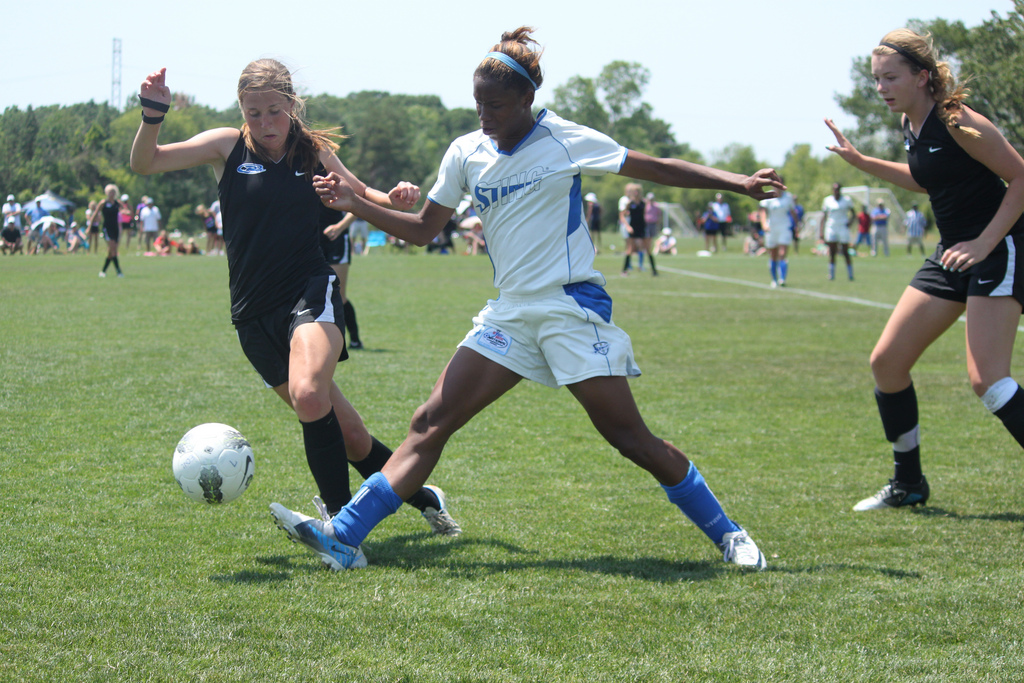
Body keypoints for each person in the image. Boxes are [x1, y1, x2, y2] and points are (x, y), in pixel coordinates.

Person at [290, 26, 782, 571]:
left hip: (570, 309)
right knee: (431, 420)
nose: (484, 114)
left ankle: (729, 533)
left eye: (496, 104)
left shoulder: (565, 138)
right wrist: (356, 203)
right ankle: (346, 535)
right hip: (511, 312)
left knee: (629, 437)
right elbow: (424, 229)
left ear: (528, 99)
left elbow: (655, 167)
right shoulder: (466, 152)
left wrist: (737, 183)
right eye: (478, 102)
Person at [129, 61, 461, 560]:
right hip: (252, 316)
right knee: (349, 436)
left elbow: (361, 193)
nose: (265, 123)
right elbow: (145, 163)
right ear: (241, 109)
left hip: (309, 290)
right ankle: (425, 498)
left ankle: (341, 532)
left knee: (309, 396)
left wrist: (393, 195)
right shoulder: (227, 146)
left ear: (292, 105)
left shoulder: (312, 151)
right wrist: (152, 113)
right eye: (254, 112)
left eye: (274, 112)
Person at [825, 28, 1024, 511]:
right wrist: (861, 161)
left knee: (988, 381)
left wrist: (984, 241)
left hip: (996, 249)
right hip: (953, 253)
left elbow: (1021, 176)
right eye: (876, 80)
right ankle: (908, 484)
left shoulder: (957, 120)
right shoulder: (912, 124)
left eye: (890, 77)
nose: (881, 89)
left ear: (922, 76)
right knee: (887, 364)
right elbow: (924, 179)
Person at [318, 205, 364, 349]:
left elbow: (360, 203)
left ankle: (355, 340)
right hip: (311, 239)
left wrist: (339, 226)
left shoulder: (335, 181)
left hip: (336, 240)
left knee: (338, 294)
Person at [759, 187, 797, 287]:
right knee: (773, 255)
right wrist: (764, 224)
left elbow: (793, 212)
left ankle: (782, 279)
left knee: (782, 253)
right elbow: (763, 211)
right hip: (771, 228)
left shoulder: (788, 197)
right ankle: (774, 279)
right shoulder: (768, 196)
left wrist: (797, 225)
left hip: (784, 227)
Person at [820, 182, 855, 280]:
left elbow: (853, 213)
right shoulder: (827, 200)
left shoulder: (846, 200)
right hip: (831, 228)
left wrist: (850, 222)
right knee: (832, 252)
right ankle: (831, 274)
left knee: (845, 251)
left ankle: (850, 274)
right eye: (834, 189)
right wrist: (821, 231)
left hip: (842, 227)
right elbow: (824, 216)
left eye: (837, 189)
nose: (836, 191)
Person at [89, 185, 124, 277]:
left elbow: (126, 210)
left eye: (113, 192)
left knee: (112, 251)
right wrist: (89, 227)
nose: (111, 194)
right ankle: (119, 272)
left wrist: (127, 213)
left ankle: (103, 271)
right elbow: (95, 214)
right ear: (106, 193)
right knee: (113, 250)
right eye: (110, 192)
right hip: (107, 228)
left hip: (115, 228)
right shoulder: (103, 203)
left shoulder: (117, 203)